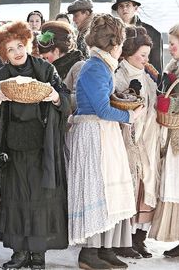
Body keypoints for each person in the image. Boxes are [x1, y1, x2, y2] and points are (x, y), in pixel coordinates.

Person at [0, 21, 70, 270]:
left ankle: (38, 254)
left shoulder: (45, 69)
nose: (17, 52)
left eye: (20, 46)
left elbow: (65, 100)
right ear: (4, 54)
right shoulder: (1, 76)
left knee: (40, 197)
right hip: (12, 146)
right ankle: (19, 252)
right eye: (10, 49)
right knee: (15, 196)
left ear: (28, 44)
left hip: (41, 144)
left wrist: (54, 97)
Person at [67, 14, 144, 270]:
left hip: (102, 132)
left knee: (109, 189)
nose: (122, 48)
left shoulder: (102, 64)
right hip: (93, 133)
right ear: (113, 43)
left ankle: (104, 248)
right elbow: (101, 108)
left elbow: (103, 98)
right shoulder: (95, 67)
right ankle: (89, 253)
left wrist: (119, 97)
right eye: (121, 42)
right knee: (97, 188)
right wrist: (129, 115)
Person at [113, 26, 160, 259]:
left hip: (146, 139)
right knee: (128, 185)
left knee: (146, 184)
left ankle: (138, 238)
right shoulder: (119, 73)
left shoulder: (147, 75)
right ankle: (122, 239)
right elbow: (116, 101)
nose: (145, 60)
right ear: (129, 53)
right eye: (141, 55)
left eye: (147, 56)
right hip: (125, 139)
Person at [149, 23, 179, 258]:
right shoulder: (172, 65)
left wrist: (173, 105)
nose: (171, 46)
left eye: (175, 42)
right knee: (173, 184)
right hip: (173, 134)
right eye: (170, 41)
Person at [37, 21, 85, 111]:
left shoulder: (78, 65)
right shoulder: (49, 69)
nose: (45, 61)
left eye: (46, 58)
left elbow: (80, 100)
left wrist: (56, 96)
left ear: (56, 51)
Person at [112, 0, 163, 73]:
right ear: (117, 11)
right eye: (121, 6)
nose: (124, 8)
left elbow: (157, 69)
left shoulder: (152, 33)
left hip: (144, 81)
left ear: (135, 8)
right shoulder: (111, 33)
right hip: (118, 81)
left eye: (127, 5)